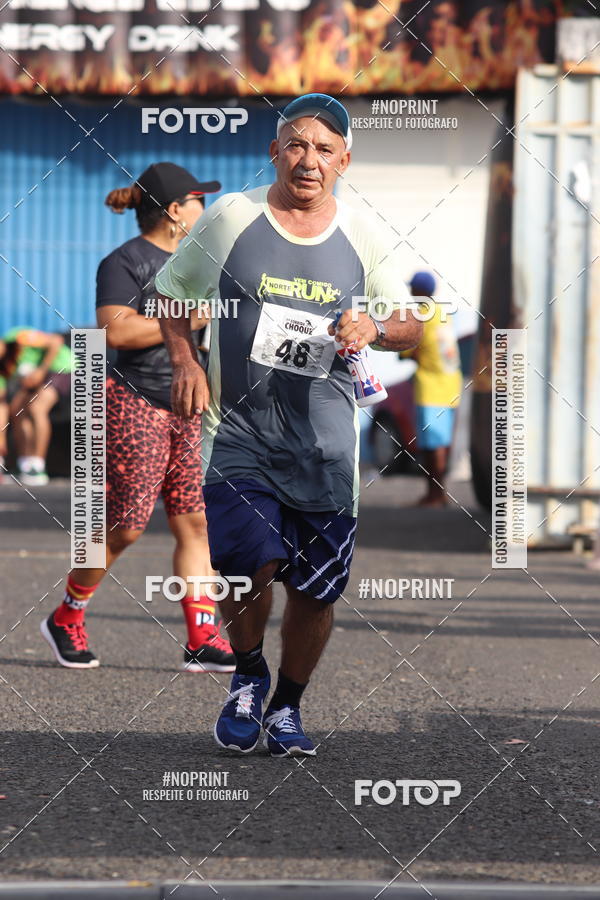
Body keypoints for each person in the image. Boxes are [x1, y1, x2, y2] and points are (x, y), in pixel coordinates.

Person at [155, 94, 422, 757]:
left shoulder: (362, 234)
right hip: (238, 435)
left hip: (326, 448)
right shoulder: (230, 218)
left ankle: (287, 706)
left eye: (325, 149)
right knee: (250, 564)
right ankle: (247, 677)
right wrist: (185, 358)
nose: (310, 160)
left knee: (316, 590)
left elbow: (413, 326)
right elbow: (169, 293)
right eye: (297, 145)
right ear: (275, 151)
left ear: (345, 161)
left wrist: (378, 326)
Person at [40, 162, 235, 675]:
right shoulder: (124, 261)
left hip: (190, 409)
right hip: (135, 401)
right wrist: (189, 318)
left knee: (196, 523)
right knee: (125, 527)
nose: (205, 210)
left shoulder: (203, 265)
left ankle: (202, 636)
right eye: (199, 201)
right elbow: (116, 332)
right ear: (175, 211)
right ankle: (67, 615)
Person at [403, 271, 463, 507]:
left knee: (432, 445)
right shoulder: (442, 313)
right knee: (442, 442)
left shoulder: (421, 314)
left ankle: (435, 495)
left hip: (431, 386)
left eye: (412, 290)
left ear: (418, 292)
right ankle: (439, 494)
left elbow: (408, 349)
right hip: (451, 383)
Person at [1, 326, 74, 485]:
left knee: (36, 408)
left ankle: (37, 466)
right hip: (38, 378)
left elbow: (56, 341)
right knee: (17, 410)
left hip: (61, 371)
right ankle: (25, 464)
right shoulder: (7, 364)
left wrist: (41, 370)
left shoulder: (17, 337)